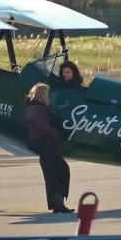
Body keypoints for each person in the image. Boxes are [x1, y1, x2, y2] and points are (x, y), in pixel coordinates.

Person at [25, 83, 74, 213]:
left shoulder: (35, 106)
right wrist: (57, 134)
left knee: (53, 172)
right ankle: (57, 200)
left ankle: (57, 202)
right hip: (43, 142)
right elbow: (44, 127)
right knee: (59, 170)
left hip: (41, 142)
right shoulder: (37, 108)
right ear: (42, 94)